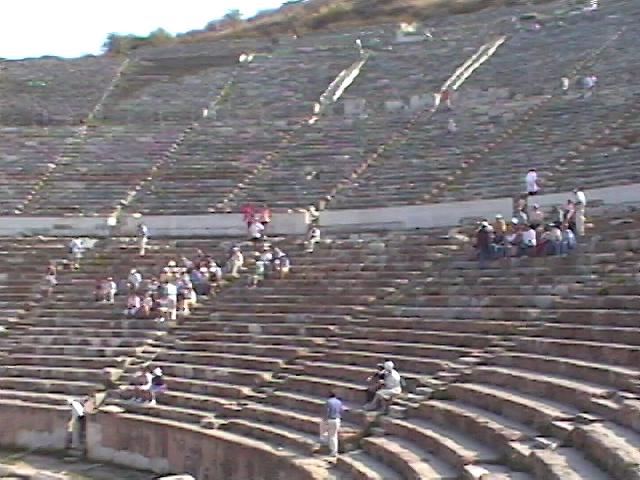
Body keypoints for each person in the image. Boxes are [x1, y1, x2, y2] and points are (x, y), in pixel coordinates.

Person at [319, 392, 344, 458]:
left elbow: (327, 411)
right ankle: (333, 451)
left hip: (330, 419)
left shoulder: (328, 402)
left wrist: (325, 419)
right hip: (337, 420)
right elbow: (342, 411)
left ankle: (327, 445)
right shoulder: (339, 402)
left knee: (326, 433)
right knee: (334, 436)